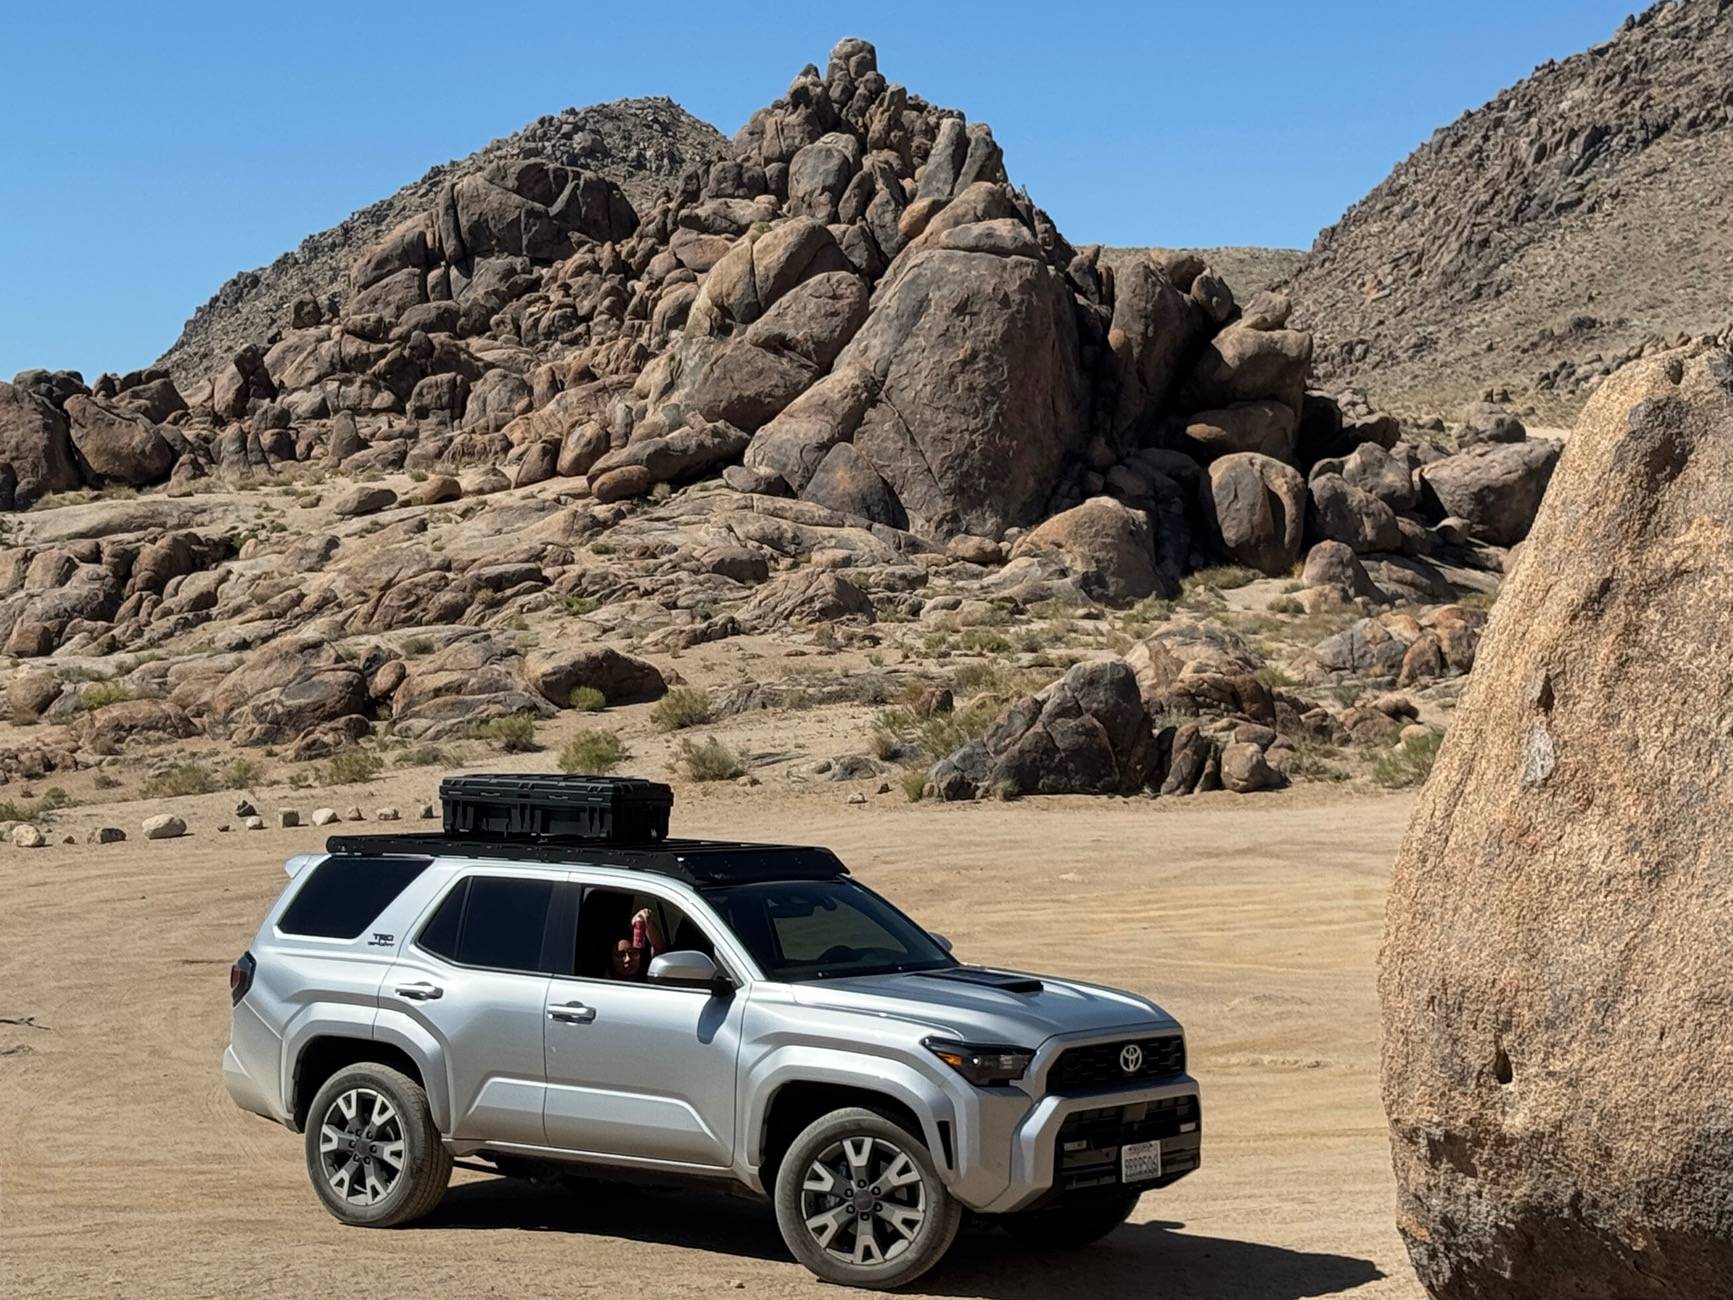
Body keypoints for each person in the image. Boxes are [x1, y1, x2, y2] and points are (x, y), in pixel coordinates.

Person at [608, 907, 667, 982]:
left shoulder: (649, 976)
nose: (628, 959)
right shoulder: (600, 983)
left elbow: (659, 950)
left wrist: (647, 922)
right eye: (621, 955)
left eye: (633, 953)